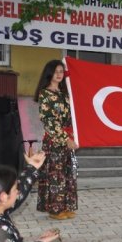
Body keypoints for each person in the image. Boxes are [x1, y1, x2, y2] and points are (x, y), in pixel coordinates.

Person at [34, 59, 78, 220]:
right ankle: (55, 210)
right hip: (55, 141)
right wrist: (65, 138)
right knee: (55, 175)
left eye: (62, 71)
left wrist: (74, 136)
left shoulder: (65, 94)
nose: (59, 74)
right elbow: (49, 122)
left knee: (66, 174)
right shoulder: (45, 94)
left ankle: (65, 206)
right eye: (56, 71)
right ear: (49, 73)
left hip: (67, 138)